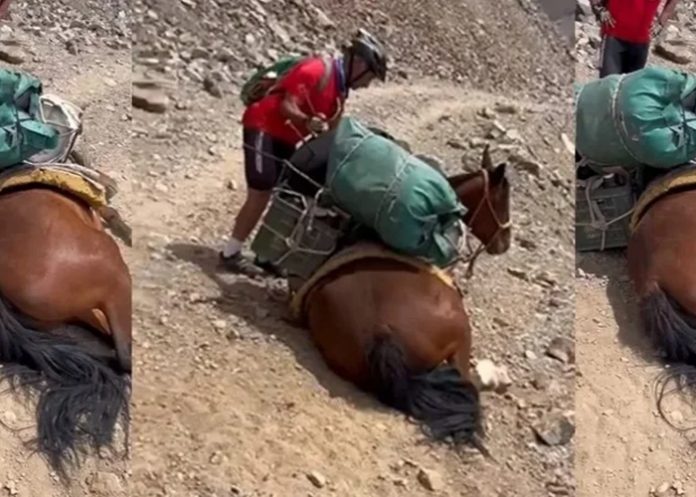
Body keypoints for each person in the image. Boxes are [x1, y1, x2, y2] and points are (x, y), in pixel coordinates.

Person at [219, 29, 388, 276]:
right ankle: (230, 253)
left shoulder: (340, 91)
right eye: (370, 77)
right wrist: (308, 121)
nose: (366, 84)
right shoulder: (316, 69)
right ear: (359, 63)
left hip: (285, 137)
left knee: (288, 194)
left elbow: (331, 129)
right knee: (261, 190)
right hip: (263, 125)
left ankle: (265, 254)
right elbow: (288, 105)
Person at [591, 0, 680, 78]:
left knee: (631, 90)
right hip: (613, 36)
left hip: (641, 40)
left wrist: (662, 20)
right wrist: (599, 9)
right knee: (609, 85)